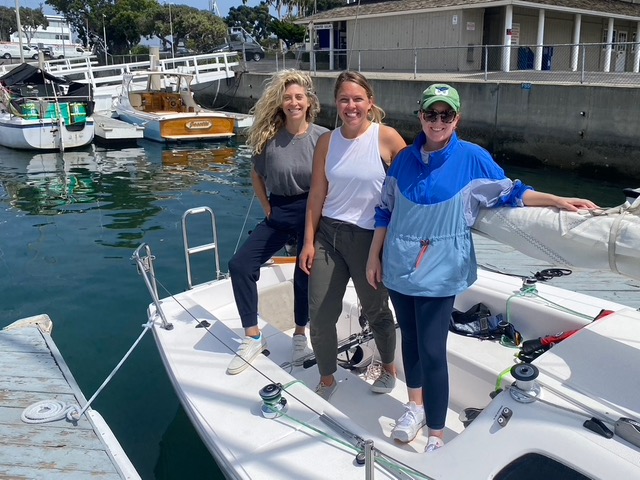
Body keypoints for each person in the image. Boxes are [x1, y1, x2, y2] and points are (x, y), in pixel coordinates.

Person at [366, 83, 598, 451]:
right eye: (431, 114)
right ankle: (415, 406)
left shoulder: (473, 158)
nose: (437, 121)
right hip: (398, 267)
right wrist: (373, 255)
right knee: (409, 341)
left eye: (446, 115)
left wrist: (555, 199)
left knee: (431, 349)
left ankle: (437, 434)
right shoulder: (404, 159)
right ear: (420, 117)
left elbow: (512, 191)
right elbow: (385, 210)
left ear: (456, 119)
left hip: (441, 272)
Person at [299, 70, 407, 401]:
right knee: (318, 315)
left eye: (358, 99)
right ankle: (327, 377)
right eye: (344, 99)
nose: (351, 106)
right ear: (337, 103)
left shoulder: (387, 138)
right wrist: (307, 240)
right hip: (328, 236)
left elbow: (411, 188)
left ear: (370, 102)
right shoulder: (326, 142)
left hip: (369, 240)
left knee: (376, 311)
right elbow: (316, 195)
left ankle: (388, 368)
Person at [226, 70, 329, 375]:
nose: (293, 102)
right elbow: (256, 175)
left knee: (303, 274)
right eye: (288, 97)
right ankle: (252, 335)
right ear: (281, 103)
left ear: (309, 102)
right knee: (240, 265)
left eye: (299, 97)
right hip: (279, 211)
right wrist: (267, 206)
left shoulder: (323, 137)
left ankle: (300, 333)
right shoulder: (268, 138)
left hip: (313, 211)